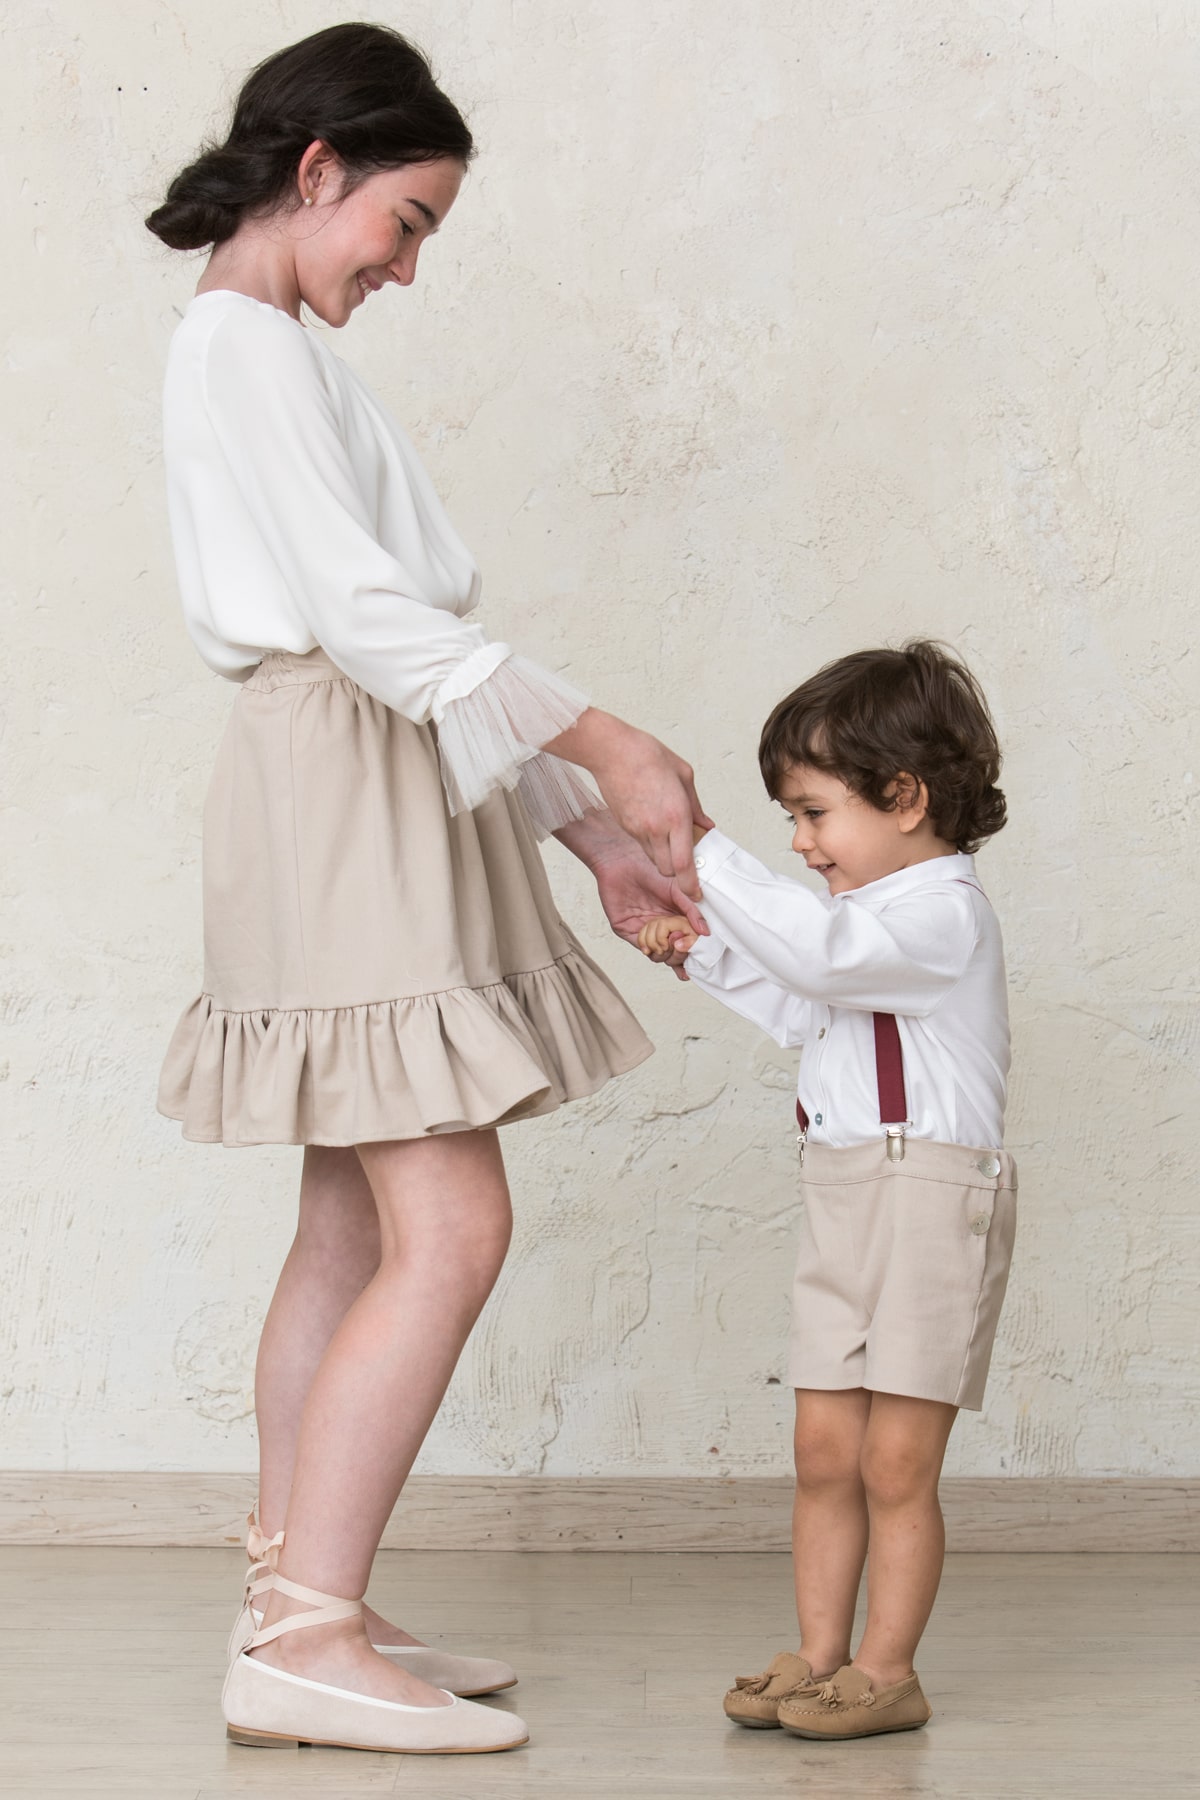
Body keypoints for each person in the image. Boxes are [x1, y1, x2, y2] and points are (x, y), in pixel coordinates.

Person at [145, 21, 711, 1758]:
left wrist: (594, 836)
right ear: (315, 172)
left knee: (353, 1217)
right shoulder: (243, 347)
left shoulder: (277, 354)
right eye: (405, 223)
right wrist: (614, 747)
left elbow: (414, 655)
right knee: (449, 1223)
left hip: (367, 774)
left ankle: (301, 1595)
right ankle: (305, 1634)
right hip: (345, 783)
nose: (403, 267)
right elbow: (384, 635)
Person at [637, 640, 1016, 1741]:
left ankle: (887, 1669)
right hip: (844, 1189)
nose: (799, 844)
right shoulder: (866, 931)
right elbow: (810, 1004)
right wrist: (697, 953)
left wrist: (697, 850)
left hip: (934, 1199)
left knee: (897, 1459)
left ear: (903, 797)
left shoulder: (941, 915)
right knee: (823, 1450)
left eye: (811, 815)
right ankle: (816, 1656)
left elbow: (823, 961)